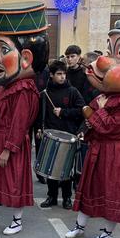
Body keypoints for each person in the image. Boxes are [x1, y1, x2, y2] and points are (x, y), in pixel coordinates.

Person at [65, 18, 120, 238]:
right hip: (99, 148)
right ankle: (80, 226)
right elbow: (91, 117)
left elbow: (113, 127)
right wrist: (89, 124)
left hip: (116, 152)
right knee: (90, 187)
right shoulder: (108, 96)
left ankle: (107, 231)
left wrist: (97, 113)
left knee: (112, 190)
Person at [0, 2, 49, 235]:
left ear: (25, 58)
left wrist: (7, 149)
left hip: (11, 144)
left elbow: (20, 123)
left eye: (3, 50)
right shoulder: (10, 87)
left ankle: (16, 221)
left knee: (14, 179)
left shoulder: (25, 90)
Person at [35, 59, 85, 209]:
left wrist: (64, 112)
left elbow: (81, 110)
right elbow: (39, 113)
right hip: (51, 134)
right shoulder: (45, 93)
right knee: (51, 169)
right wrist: (39, 128)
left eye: (64, 74)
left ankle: (67, 198)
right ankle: (51, 197)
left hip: (68, 135)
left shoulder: (72, 92)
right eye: (59, 74)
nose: (62, 77)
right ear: (51, 75)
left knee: (66, 170)